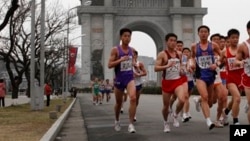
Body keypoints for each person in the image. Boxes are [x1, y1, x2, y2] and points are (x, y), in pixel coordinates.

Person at [154, 33, 187, 133]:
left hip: (177, 81)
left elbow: (182, 65)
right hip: (167, 82)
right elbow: (156, 68)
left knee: (182, 99)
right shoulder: (162, 54)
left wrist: (182, 70)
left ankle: (175, 114)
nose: (173, 43)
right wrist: (166, 66)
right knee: (165, 106)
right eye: (171, 40)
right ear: (166, 42)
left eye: (174, 41)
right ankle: (166, 122)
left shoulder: (179, 54)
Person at [190, 25, 221, 130]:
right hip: (200, 75)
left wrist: (216, 64)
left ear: (208, 33)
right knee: (205, 96)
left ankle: (198, 100)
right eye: (201, 32)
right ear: (198, 33)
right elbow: (191, 57)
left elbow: (221, 57)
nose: (203, 33)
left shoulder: (213, 45)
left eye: (205, 32)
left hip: (211, 75)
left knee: (210, 102)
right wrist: (191, 63)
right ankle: (208, 120)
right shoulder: (194, 46)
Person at [107, 28, 137, 133]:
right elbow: (109, 65)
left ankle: (131, 124)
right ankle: (117, 120)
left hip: (129, 78)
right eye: (125, 36)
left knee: (133, 98)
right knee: (119, 103)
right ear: (121, 37)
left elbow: (133, 62)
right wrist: (120, 60)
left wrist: (134, 65)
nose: (127, 38)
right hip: (119, 79)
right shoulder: (115, 50)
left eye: (129, 36)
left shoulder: (132, 50)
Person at [220, 28, 244, 125]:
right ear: (229, 39)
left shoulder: (242, 49)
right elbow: (220, 63)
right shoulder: (224, 52)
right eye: (233, 37)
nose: (235, 39)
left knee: (234, 99)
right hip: (230, 78)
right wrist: (218, 63)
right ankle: (235, 120)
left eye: (237, 37)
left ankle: (225, 112)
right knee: (237, 98)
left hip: (241, 78)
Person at [235, 20, 250, 124]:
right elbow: (236, 60)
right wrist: (240, 62)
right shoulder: (243, 46)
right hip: (248, 78)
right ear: (248, 30)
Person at [133, 50, 147, 122]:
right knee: (133, 99)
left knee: (136, 100)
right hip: (130, 84)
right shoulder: (127, 63)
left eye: (134, 55)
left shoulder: (140, 64)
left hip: (138, 84)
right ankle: (133, 114)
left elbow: (145, 73)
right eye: (131, 55)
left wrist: (138, 72)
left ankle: (134, 112)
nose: (133, 56)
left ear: (136, 56)